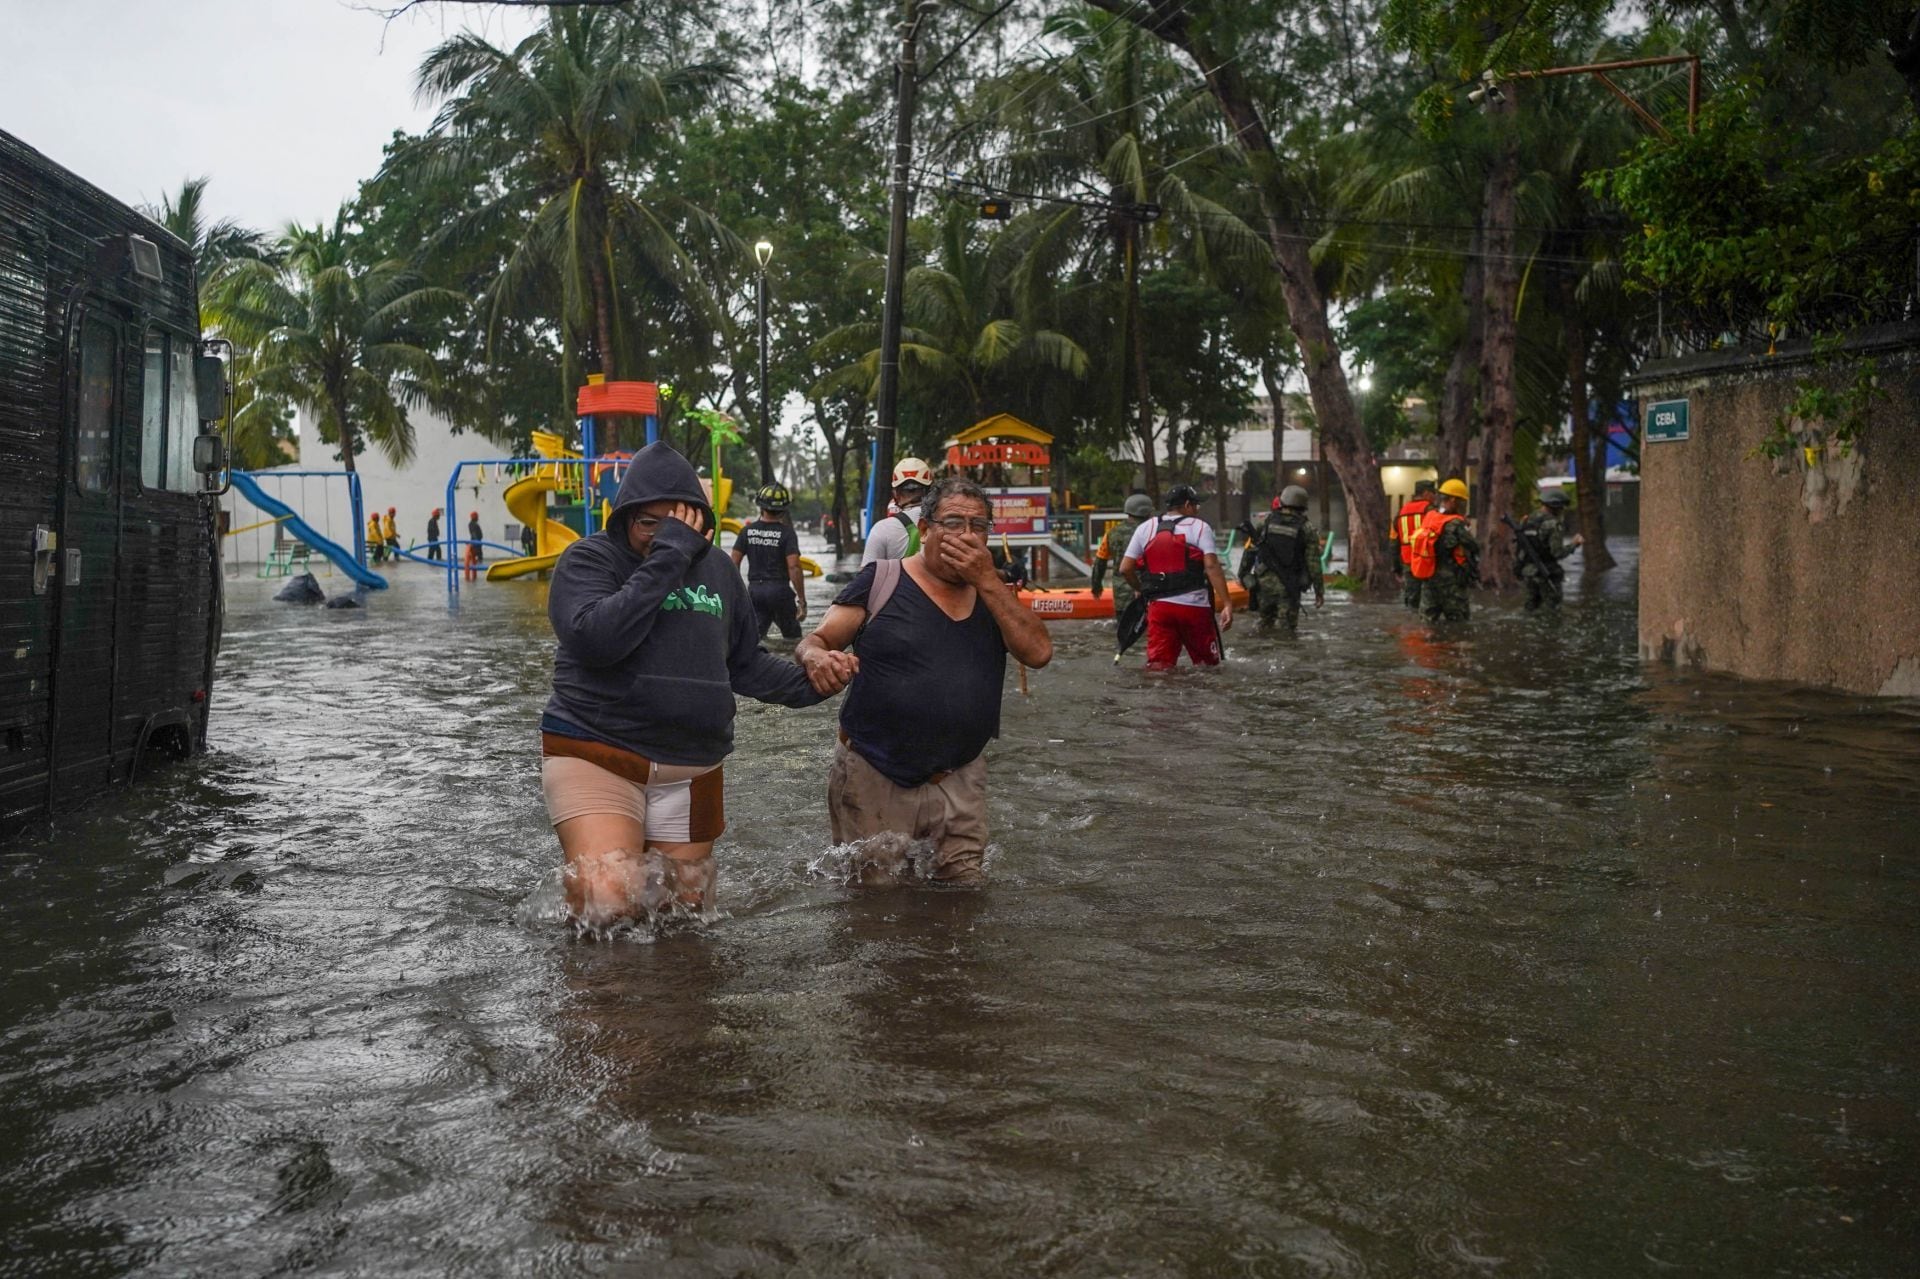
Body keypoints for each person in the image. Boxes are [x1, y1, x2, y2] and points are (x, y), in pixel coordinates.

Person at [542, 441, 830, 930]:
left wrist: (817, 682)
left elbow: (744, 665)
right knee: (607, 905)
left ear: (701, 521)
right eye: (648, 523)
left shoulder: (718, 569)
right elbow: (596, 639)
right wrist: (669, 556)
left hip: (692, 767)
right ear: (625, 518)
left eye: (677, 522)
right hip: (599, 752)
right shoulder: (588, 561)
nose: (661, 534)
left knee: (685, 919)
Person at [795, 476, 1052, 885]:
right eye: (953, 523)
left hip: (960, 777)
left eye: (978, 526)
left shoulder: (994, 593)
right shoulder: (882, 579)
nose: (966, 536)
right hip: (875, 771)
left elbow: (1038, 653)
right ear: (926, 529)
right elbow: (818, 639)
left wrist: (987, 580)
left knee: (965, 895)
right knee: (877, 905)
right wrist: (817, 658)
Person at [1119, 485, 1233, 670]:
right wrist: (1227, 603)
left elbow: (1125, 568)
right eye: (1196, 505)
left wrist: (1142, 590)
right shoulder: (1200, 527)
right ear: (1187, 505)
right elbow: (1212, 566)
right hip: (1194, 607)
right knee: (1207, 666)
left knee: (1159, 666)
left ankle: (1161, 697)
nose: (1197, 510)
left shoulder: (1145, 528)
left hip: (1159, 608)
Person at [1241, 485, 1324, 633]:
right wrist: (1319, 591)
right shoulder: (1307, 528)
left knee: (1263, 624)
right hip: (1289, 586)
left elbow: (1249, 551)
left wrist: (1243, 575)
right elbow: (1314, 563)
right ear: (1303, 505)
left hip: (1263, 584)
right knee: (1286, 632)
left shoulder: (1266, 522)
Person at [730, 482, 808, 640]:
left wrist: (739, 593)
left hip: (755, 592)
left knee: (754, 640)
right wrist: (801, 599)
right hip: (780, 592)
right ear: (784, 509)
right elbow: (794, 567)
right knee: (794, 641)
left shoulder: (747, 531)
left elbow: (733, 563)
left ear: (761, 506)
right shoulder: (787, 534)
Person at [1410, 478, 1479, 623]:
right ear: (1454, 500)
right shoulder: (1456, 523)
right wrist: (1467, 527)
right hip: (1451, 583)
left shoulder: (1430, 517)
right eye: (1462, 501)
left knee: (1427, 625)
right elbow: (1473, 546)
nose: (1463, 505)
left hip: (1429, 580)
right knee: (1459, 626)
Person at [861, 456, 936, 565]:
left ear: (896, 493)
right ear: (930, 490)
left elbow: (866, 579)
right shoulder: (947, 524)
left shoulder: (882, 529)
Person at [1090, 492, 1153, 618]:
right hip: (1150, 592)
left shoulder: (1112, 533)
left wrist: (1096, 587)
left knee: (1124, 631)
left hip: (1121, 597)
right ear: (1148, 512)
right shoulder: (1154, 531)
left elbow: (1099, 562)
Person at [1518, 488, 1583, 610]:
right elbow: (1557, 553)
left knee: (1530, 610)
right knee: (1552, 614)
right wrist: (1574, 544)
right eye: (1562, 507)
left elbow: (1520, 547)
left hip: (1528, 572)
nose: (1563, 510)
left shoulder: (1527, 520)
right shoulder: (1553, 524)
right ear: (1555, 506)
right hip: (1546, 574)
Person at [1391, 479, 1437, 610]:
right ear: (1426, 493)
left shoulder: (1400, 513)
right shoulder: (1431, 511)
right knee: (1432, 600)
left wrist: (1396, 568)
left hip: (1408, 563)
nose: (1435, 497)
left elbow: (1394, 542)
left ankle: (1411, 628)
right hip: (1428, 562)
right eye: (1433, 494)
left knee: (1412, 602)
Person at [465, 511, 484, 580]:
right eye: (477, 517)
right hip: (476, 542)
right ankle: (477, 569)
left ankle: (476, 569)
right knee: (477, 556)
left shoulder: (473, 524)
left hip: (477, 542)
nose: (478, 518)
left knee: (477, 556)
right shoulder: (472, 524)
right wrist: (477, 542)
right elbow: (474, 533)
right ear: (475, 517)